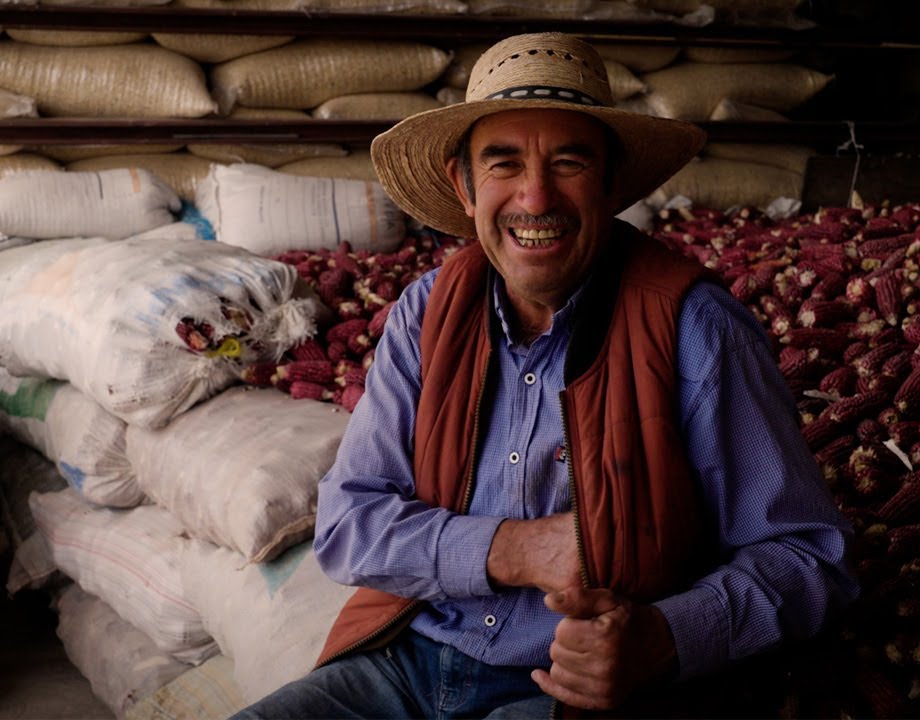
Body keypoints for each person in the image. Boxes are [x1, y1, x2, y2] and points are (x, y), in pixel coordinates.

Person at [237, 32, 859, 719]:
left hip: (574, 693)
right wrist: (513, 548)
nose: (535, 198)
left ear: (613, 183)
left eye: (569, 162)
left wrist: (664, 636)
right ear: (463, 187)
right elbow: (351, 523)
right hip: (405, 665)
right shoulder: (427, 312)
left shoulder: (697, 331)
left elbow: (811, 557)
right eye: (503, 164)